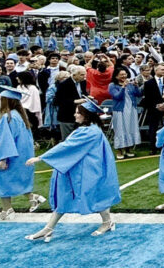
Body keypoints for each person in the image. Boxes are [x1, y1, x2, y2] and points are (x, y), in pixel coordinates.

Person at [24, 97, 121, 242]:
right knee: (70, 196)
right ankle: (48, 228)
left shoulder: (89, 132)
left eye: (78, 112)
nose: (75, 115)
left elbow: (67, 146)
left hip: (87, 171)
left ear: (86, 115)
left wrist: (41, 158)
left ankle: (107, 222)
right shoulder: (90, 130)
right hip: (79, 169)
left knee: (94, 196)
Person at [0, 86, 45, 220]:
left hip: (9, 155)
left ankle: (8, 209)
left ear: (6, 101)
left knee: (3, 180)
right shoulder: (20, 116)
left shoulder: (7, 117)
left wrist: (3, 159)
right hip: (21, 154)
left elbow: (6, 139)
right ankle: (22, 202)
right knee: (12, 180)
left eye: (1, 99)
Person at [108, 67, 143, 159]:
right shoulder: (112, 85)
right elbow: (117, 96)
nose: (124, 76)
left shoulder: (130, 84)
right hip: (119, 110)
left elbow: (139, 94)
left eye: (125, 74)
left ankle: (129, 149)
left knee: (131, 128)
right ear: (116, 76)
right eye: (121, 74)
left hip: (131, 109)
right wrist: (123, 87)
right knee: (120, 129)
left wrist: (136, 86)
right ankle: (119, 150)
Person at [141, 63, 164, 154]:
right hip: (153, 109)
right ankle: (153, 147)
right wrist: (157, 106)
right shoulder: (148, 83)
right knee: (153, 128)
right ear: (156, 70)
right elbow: (148, 98)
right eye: (162, 69)